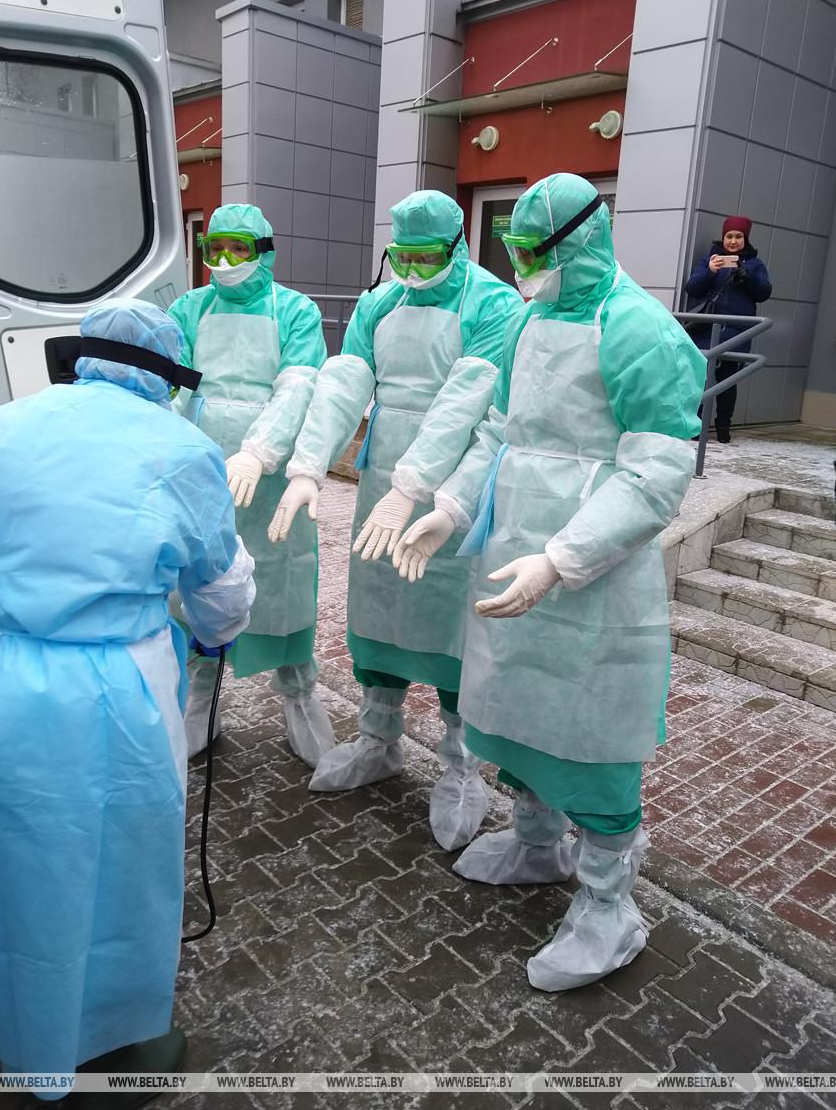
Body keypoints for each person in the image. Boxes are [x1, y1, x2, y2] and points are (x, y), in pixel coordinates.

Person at [393, 175, 706, 990]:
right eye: (515, 250)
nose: (521, 266)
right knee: (515, 701)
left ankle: (608, 908)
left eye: (533, 251)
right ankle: (536, 841)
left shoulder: (639, 329)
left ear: (579, 240)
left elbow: (655, 475)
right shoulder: (529, 320)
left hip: (594, 571)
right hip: (512, 544)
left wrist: (562, 558)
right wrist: (451, 508)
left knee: (591, 730)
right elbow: (500, 431)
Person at [0, 300, 255, 1098]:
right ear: (167, 375)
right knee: (115, 871)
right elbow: (220, 598)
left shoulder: (1, 425)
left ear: (79, 357)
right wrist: (216, 633)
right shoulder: (184, 450)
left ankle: (11, 1024)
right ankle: (103, 1040)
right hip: (114, 693)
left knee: (8, 855)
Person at [269, 190, 523, 851]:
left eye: (425, 257)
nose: (411, 270)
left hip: (455, 483)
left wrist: (417, 488)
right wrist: (307, 466)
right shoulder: (378, 303)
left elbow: (467, 404)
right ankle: (378, 739)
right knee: (379, 606)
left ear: (457, 245)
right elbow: (344, 385)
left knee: (449, 622)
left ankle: (462, 766)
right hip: (383, 477)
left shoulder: (492, 303)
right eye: (400, 257)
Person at [169, 203, 333, 765]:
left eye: (238, 248)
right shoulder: (190, 307)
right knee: (199, 577)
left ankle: (299, 694)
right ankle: (202, 695)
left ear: (265, 252)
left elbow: (300, 387)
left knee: (283, 577)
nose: (225, 260)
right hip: (201, 465)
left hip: (272, 471)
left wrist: (258, 452)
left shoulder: (295, 310)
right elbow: (174, 384)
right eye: (215, 249)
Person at [685, 215, 772, 443]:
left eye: (738, 236)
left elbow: (764, 293)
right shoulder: (710, 259)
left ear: (746, 238)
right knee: (702, 381)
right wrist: (710, 271)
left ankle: (723, 428)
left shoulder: (755, 264)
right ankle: (696, 426)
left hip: (736, 333)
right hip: (705, 332)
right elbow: (692, 288)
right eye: (729, 236)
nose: (733, 241)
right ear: (723, 238)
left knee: (727, 382)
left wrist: (747, 276)